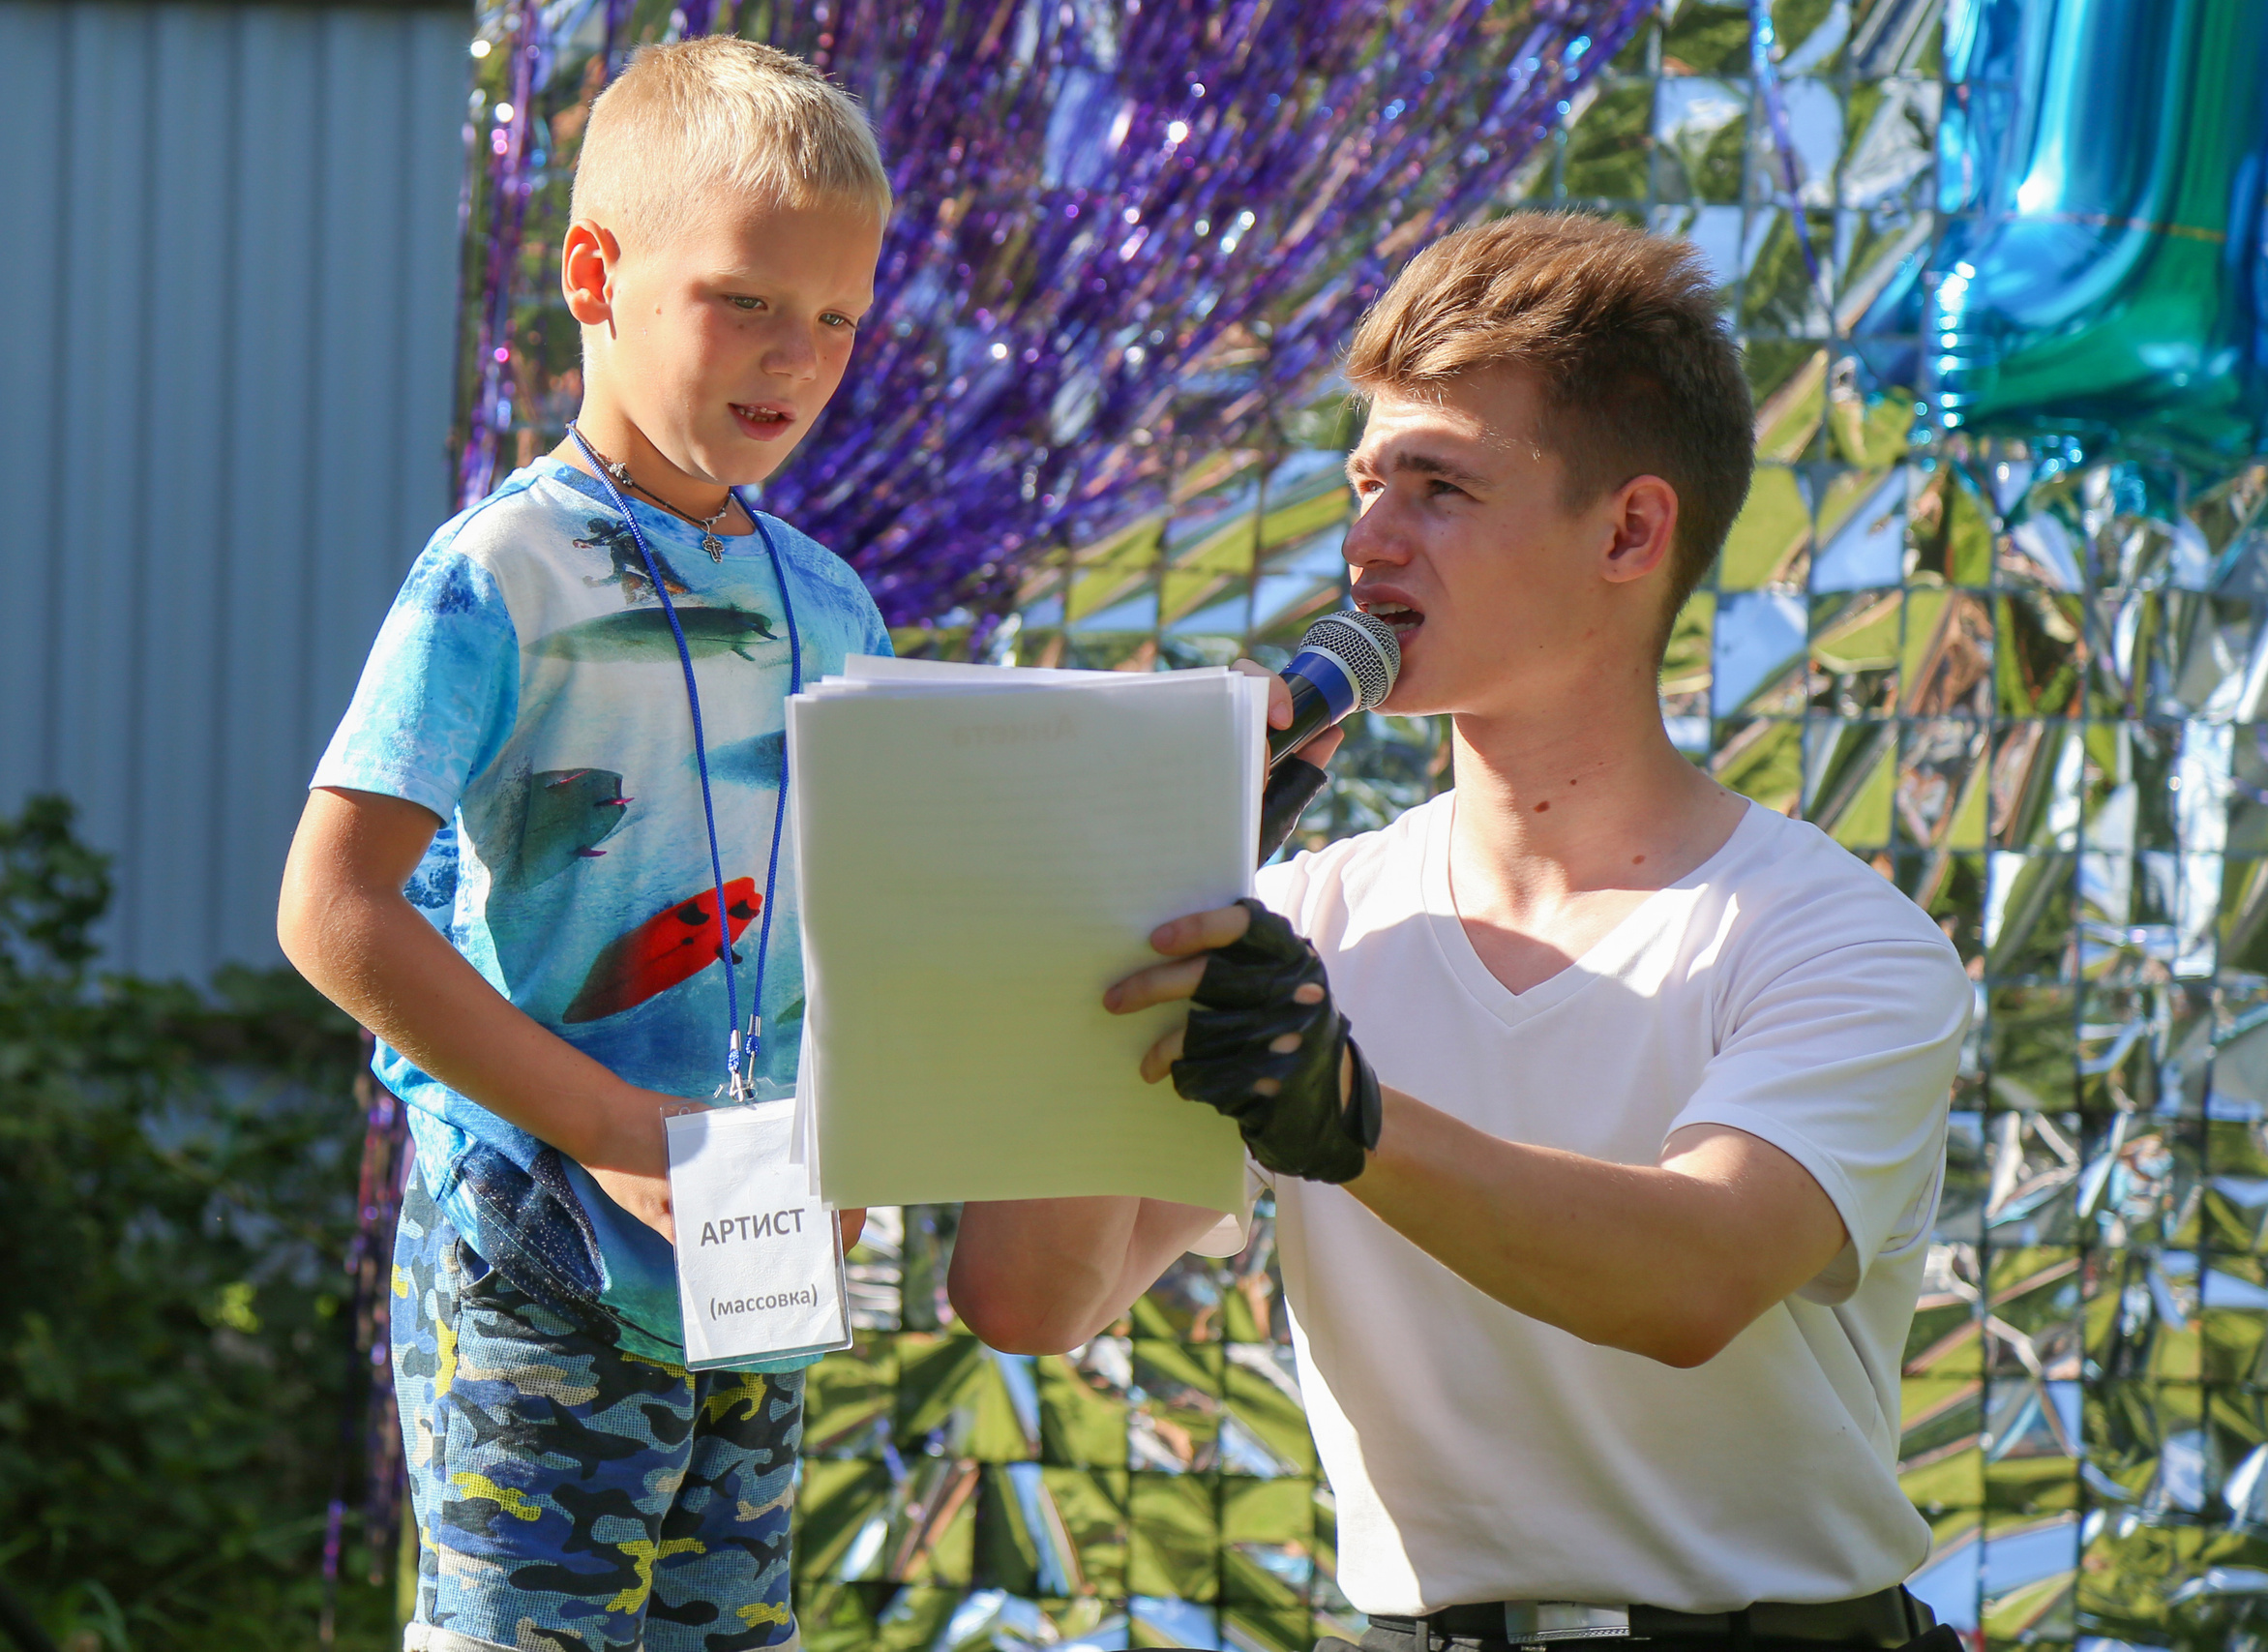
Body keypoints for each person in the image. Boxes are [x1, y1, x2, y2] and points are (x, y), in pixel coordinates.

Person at [947, 213, 1971, 1652]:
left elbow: (1694, 1277)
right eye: (1366, 482)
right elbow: (1027, 1298)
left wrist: (1347, 1116)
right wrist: (1127, 883)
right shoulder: (1306, 918)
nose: (1367, 539)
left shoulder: (1835, 937)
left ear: (1630, 529)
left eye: (1437, 487)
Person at [277, 37, 893, 1652]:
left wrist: (844, 1142)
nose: (796, 358)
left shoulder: (833, 600)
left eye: (836, 317)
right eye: (746, 299)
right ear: (594, 274)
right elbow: (332, 913)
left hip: (757, 1250)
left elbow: (860, 924)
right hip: (539, 1249)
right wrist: (621, 1130)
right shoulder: (501, 573)